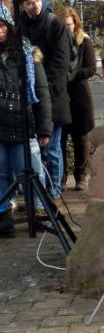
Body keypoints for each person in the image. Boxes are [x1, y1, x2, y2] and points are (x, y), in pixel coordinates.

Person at [17, 0, 72, 201]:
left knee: (51, 148)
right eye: (30, 3)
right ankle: (38, 193)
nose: (35, 6)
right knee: (33, 150)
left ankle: (55, 192)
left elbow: (61, 63)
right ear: (23, 5)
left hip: (53, 94)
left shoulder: (54, 24)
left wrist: (41, 84)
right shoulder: (20, 25)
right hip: (32, 96)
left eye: (38, 1)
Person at [0, 19, 52, 238]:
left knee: (32, 171)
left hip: (23, 124)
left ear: (9, 25)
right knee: (0, 174)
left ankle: (38, 213)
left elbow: (41, 92)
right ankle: (4, 217)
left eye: (1, 24)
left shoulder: (26, 55)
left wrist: (45, 128)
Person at [56, 8, 96, 191]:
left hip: (79, 95)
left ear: (76, 24)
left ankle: (81, 176)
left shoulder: (84, 41)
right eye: (64, 26)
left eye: (70, 25)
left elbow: (91, 68)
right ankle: (61, 177)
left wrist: (72, 74)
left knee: (81, 139)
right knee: (60, 139)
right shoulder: (54, 42)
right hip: (60, 95)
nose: (67, 29)